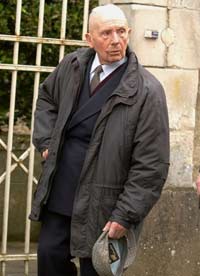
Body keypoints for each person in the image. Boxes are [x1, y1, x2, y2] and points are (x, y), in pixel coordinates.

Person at [29, 4, 170, 276]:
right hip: (63, 189)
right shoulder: (72, 65)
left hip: (106, 201)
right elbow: (47, 99)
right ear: (89, 39)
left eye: (121, 31)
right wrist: (47, 142)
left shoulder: (148, 90)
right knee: (49, 257)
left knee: (97, 271)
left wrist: (125, 214)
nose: (116, 40)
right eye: (106, 33)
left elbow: (152, 165)